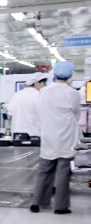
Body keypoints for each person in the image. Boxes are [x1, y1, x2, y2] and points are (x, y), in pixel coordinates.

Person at [31, 61, 81, 214]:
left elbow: (39, 112)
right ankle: (60, 207)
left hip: (48, 136)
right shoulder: (73, 93)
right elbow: (76, 114)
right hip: (66, 137)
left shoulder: (44, 91)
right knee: (63, 173)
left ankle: (37, 203)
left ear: (54, 74)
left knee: (44, 171)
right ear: (70, 76)